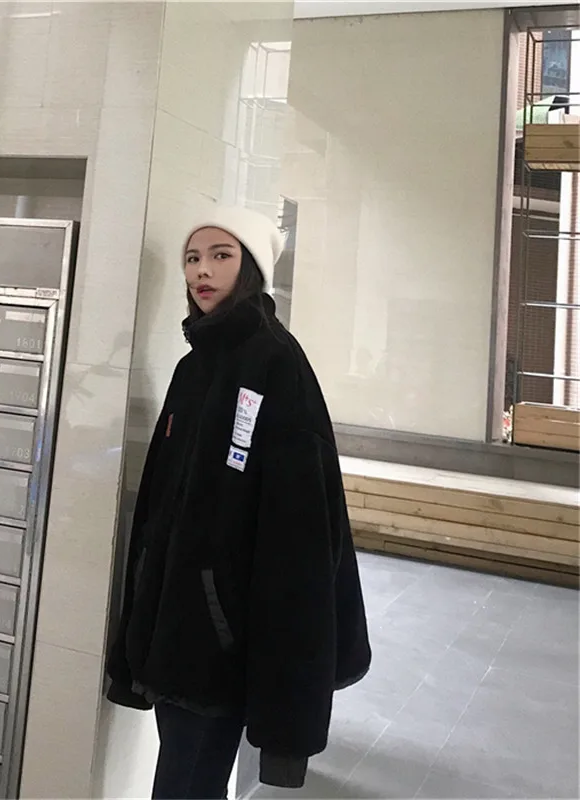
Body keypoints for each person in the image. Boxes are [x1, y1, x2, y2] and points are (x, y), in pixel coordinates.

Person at [106, 206, 371, 799]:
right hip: (178, 626)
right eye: (192, 258)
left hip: (224, 636)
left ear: (250, 267)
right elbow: (160, 504)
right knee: (189, 777)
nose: (202, 271)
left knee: (186, 781)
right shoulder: (194, 365)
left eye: (221, 256)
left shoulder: (277, 364)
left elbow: (303, 531)